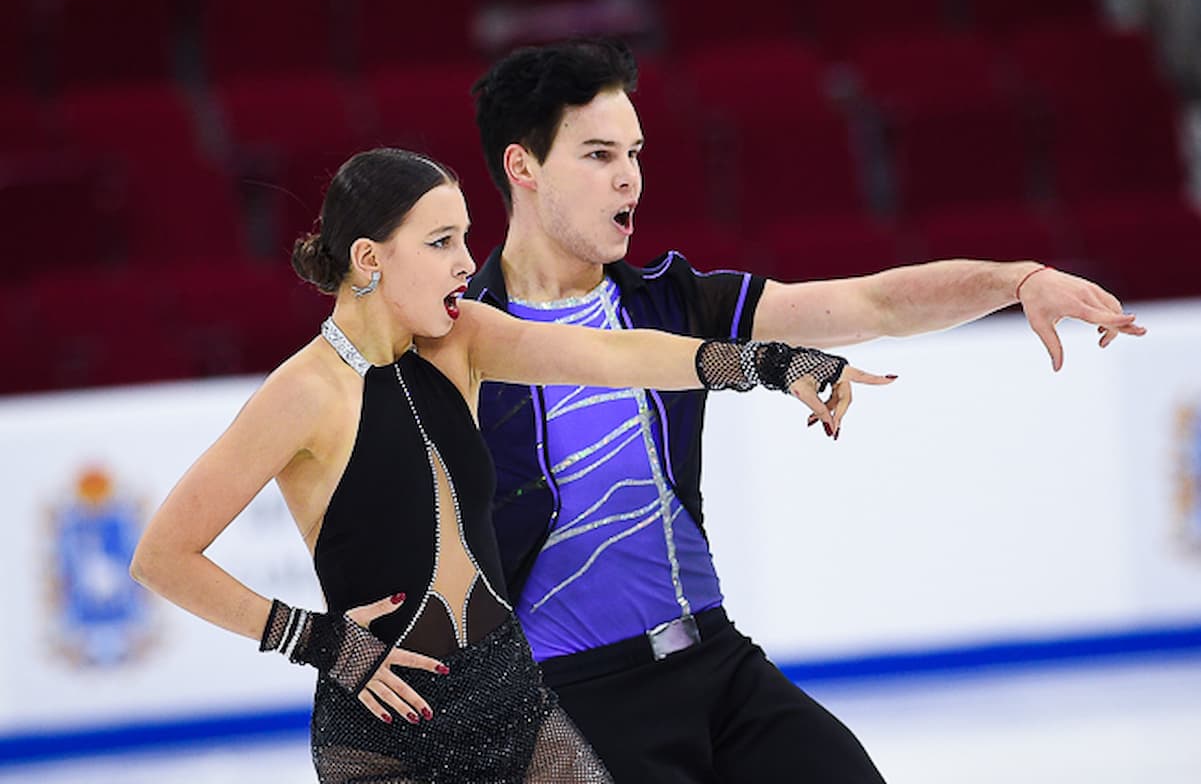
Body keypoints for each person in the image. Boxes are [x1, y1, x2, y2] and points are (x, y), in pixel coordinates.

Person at [465, 38, 1148, 783]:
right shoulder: (456, 343)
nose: (628, 178)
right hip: (573, 703)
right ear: (522, 166)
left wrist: (1017, 280)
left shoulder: (670, 301)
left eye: (634, 151)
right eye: (598, 156)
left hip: (718, 669)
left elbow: (872, 301)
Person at [128, 147, 890, 784]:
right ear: (369, 258)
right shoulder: (302, 395)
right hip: (392, 734)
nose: (466, 263)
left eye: (465, 239)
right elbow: (163, 556)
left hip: (515, 707)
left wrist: (761, 360)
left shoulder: (460, 340)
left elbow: (610, 354)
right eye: (439, 243)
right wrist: (321, 641)